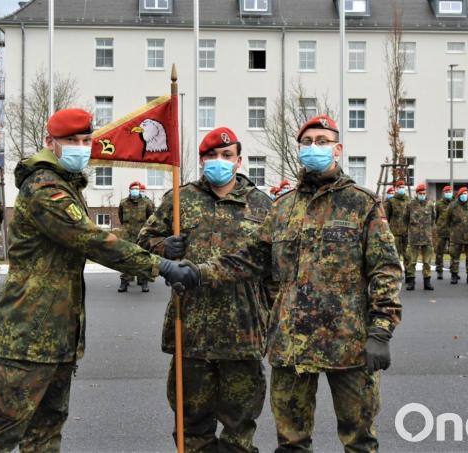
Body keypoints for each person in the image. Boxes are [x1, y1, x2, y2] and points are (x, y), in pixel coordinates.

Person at [0, 108, 194, 452]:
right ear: (50, 142)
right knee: (3, 429)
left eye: (86, 140)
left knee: (46, 429)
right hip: (31, 331)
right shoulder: (45, 188)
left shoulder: (64, 184)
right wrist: (160, 265)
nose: (81, 146)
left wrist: (160, 251)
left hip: (58, 331)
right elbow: (91, 239)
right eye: (71, 140)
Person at [177, 115, 402, 452]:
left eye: (322, 141)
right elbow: (252, 258)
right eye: (307, 142)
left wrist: (381, 330)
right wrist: (198, 271)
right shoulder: (283, 207)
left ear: (338, 149)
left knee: (359, 440)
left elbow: (386, 269)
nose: (314, 147)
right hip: (290, 345)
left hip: (349, 344)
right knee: (291, 443)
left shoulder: (362, 203)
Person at [137, 126, 274, 452]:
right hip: (191, 332)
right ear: (201, 160)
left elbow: (274, 270)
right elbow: (143, 243)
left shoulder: (262, 205)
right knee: (191, 429)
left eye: (226, 155)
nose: (219, 161)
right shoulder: (180, 199)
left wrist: (271, 319)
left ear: (239, 160)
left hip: (243, 334)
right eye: (211, 155)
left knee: (239, 431)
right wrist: (164, 247)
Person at [118, 181, 156, 293]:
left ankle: (144, 281)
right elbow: (121, 218)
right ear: (129, 190)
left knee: (143, 258)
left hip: (142, 236)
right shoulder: (123, 202)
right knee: (126, 258)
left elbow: (150, 219)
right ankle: (124, 281)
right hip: (128, 235)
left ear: (139, 190)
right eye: (133, 188)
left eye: (137, 188)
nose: (135, 190)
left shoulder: (146, 203)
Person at [403, 183, 436, 291]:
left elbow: (433, 218)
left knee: (427, 262)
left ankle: (427, 282)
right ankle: (411, 282)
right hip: (414, 237)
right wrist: (410, 229)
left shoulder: (430, 204)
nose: (422, 195)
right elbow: (405, 218)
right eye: (420, 193)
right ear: (417, 193)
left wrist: (428, 230)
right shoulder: (410, 204)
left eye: (424, 193)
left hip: (427, 237)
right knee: (412, 261)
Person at [444, 187, 468, 285]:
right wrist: (452, 231)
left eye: (466, 193)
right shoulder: (452, 206)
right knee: (454, 257)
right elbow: (447, 220)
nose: (465, 195)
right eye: (463, 194)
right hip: (456, 236)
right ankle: (454, 275)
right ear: (459, 195)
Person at [385, 179, 411, 268]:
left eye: (403, 187)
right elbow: (386, 218)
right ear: (396, 188)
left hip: (406, 233)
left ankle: (409, 274)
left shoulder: (409, 200)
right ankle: (396, 273)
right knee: (395, 255)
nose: (402, 189)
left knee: (408, 255)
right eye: (400, 187)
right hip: (395, 233)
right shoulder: (391, 201)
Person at [434, 185, 454, 280]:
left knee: (453, 252)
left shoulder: (455, 203)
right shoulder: (438, 204)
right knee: (439, 252)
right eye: (446, 192)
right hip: (441, 231)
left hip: (453, 232)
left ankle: (454, 271)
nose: (448, 193)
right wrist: (439, 225)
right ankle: (439, 271)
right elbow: (435, 217)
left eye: (449, 192)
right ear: (443, 193)